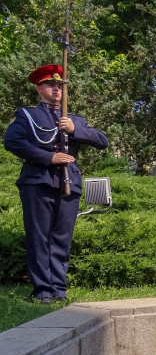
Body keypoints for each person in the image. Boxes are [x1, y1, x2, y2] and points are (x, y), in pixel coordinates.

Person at [3, 64, 109, 304]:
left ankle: (59, 289)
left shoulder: (75, 119)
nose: (56, 89)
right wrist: (48, 157)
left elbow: (103, 141)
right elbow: (12, 141)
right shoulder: (28, 115)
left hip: (69, 182)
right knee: (39, 237)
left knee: (62, 237)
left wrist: (76, 130)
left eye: (60, 85)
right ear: (39, 88)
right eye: (50, 85)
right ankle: (42, 291)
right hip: (37, 181)